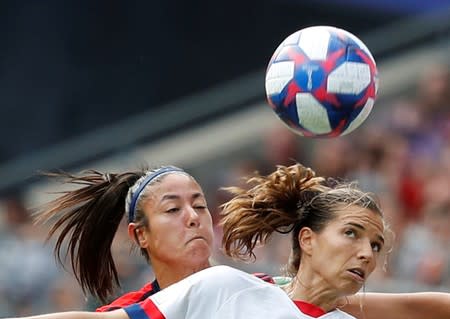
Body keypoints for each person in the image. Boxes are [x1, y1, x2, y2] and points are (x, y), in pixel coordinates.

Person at [13, 165, 450, 318]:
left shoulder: (261, 290)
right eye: (172, 209)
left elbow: (413, 307)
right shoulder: (143, 311)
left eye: (201, 205)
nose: (194, 218)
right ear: (139, 236)